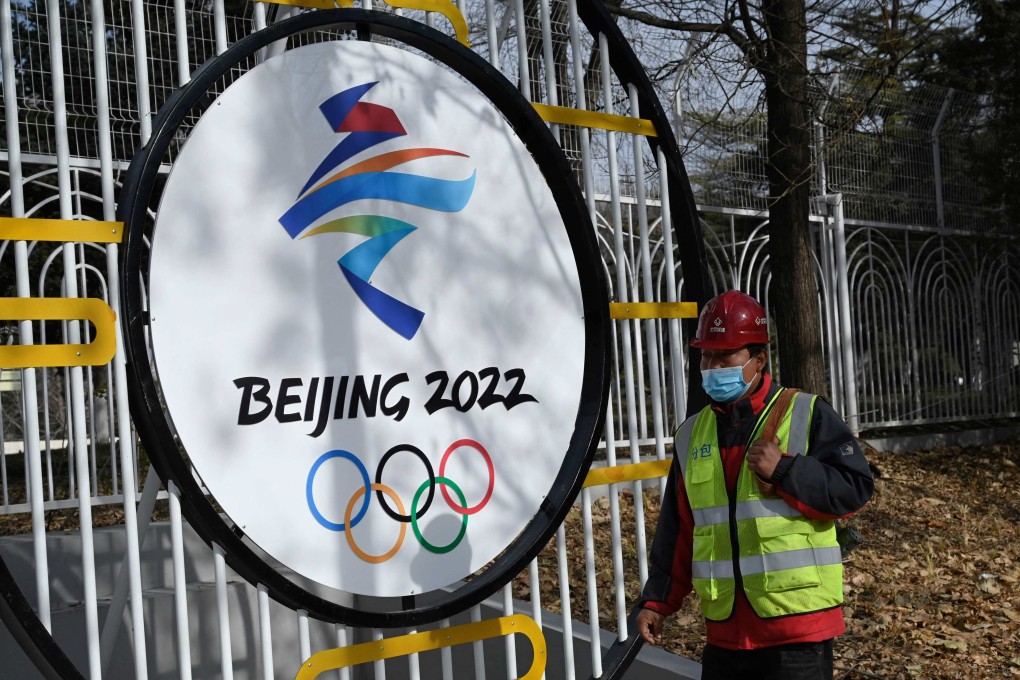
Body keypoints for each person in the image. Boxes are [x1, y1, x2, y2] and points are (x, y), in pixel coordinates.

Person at [636, 290, 874, 680]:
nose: (711, 366)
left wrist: (786, 471)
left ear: (758, 359)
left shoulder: (806, 412)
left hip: (796, 631)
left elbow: (854, 489)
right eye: (706, 355)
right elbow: (678, 528)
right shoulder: (691, 435)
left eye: (724, 356)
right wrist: (658, 602)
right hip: (726, 634)